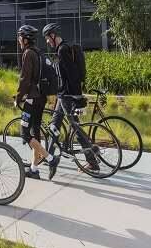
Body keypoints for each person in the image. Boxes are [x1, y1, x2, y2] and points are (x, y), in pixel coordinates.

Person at [42, 23, 99, 171]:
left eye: (48, 38)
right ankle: (49, 157)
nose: (47, 42)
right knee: (54, 125)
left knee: (75, 127)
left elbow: (72, 75)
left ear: (53, 36)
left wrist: (76, 96)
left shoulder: (62, 50)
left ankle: (92, 160)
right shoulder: (65, 48)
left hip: (68, 96)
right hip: (63, 96)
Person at [15, 25, 60, 180]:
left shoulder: (28, 53)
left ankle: (50, 159)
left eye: (20, 37)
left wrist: (18, 97)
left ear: (25, 39)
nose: (19, 39)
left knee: (25, 133)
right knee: (35, 132)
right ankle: (34, 169)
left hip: (32, 99)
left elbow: (24, 79)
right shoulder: (39, 52)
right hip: (41, 98)